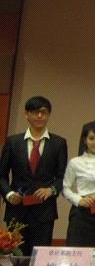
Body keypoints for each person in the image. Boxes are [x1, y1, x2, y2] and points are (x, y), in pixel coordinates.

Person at [0, 96, 68, 255]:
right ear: (26, 115)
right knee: (14, 258)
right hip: (16, 210)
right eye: (35, 112)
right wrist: (9, 194)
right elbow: (1, 175)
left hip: (44, 212)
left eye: (43, 112)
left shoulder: (59, 143)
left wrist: (51, 189)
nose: (39, 116)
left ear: (48, 115)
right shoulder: (13, 142)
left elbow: (63, 177)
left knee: (40, 258)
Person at [63, 123, 95, 249]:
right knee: (77, 252)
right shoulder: (75, 162)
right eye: (92, 138)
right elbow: (65, 188)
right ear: (84, 140)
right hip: (81, 213)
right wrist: (79, 200)